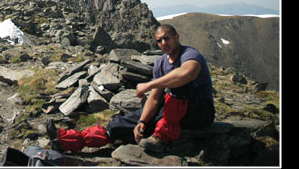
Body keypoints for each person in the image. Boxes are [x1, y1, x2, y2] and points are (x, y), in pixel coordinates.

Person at [47, 24, 215, 153]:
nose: (164, 43)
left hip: (199, 111)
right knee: (124, 123)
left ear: (176, 37)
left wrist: (149, 84)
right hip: (172, 111)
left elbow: (188, 74)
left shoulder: (190, 54)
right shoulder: (161, 63)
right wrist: (141, 121)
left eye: (167, 38)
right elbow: (155, 98)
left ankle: (161, 138)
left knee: (177, 86)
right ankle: (66, 141)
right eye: (159, 40)